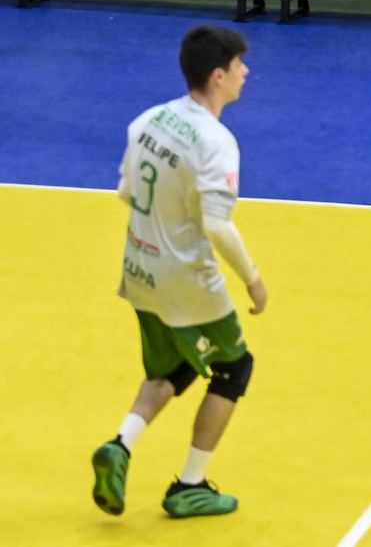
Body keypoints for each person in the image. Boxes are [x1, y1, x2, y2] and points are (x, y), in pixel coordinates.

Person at [90, 26, 265, 523]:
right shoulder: (217, 142)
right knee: (234, 368)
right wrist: (252, 278)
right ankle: (190, 485)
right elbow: (217, 226)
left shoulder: (148, 120)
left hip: (138, 268)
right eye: (239, 65)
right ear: (218, 76)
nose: (246, 72)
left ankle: (121, 445)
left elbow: (126, 192)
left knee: (179, 365)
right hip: (185, 280)